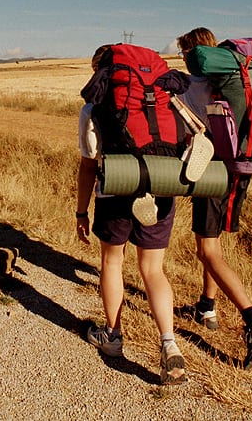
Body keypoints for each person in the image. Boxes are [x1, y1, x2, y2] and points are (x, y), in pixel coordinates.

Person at [76, 45, 187, 386]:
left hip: (117, 188)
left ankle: (113, 337)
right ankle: (169, 343)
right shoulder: (166, 101)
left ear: (101, 73)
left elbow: (88, 165)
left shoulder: (94, 108)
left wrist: (81, 211)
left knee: (112, 263)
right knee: (153, 269)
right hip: (162, 186)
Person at [175, 27, 252, 369]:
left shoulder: (191, 86)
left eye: (184, 53)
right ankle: (206, 306)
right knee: (214, 244)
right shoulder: (231, 79)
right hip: (240, 167)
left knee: (206, 249)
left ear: (193, 54)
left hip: (213, 172)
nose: (182, 60)